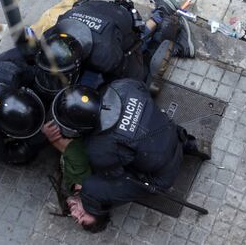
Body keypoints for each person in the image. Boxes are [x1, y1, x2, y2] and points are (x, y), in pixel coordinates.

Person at [43, 78, 202, 232]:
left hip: (161, 176)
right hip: (173, 133)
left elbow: (115, 174)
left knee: (92, 189)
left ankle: (181, 147)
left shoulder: (98, 149)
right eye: (81, 216)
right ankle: (187, 144)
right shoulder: (122, 86)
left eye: (79, 216)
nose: (74, 214)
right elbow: (143, 89)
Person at [34, 0, 194, 98]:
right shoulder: (50, 37)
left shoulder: (104, 56)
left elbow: (125, 61)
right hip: (98, 8)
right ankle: (163, 15)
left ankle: (168, 25)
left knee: (139, 78)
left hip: (122, 22)